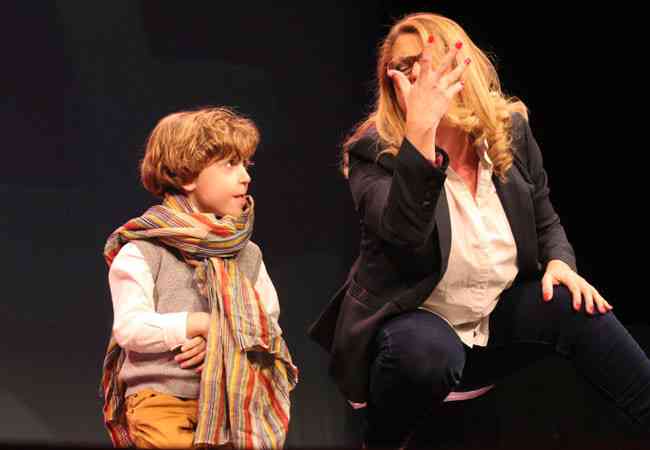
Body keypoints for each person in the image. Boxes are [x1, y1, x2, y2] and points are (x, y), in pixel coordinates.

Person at [308, 12, 650, 448]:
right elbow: (405, 236)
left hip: (490, 325)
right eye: (404, 67)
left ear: (462, 62)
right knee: (429, 351)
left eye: (429, 60)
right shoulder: (373, 152)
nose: (421, 76)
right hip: (412, 337)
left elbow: (545, 219)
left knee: (574, 300)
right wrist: (420, 135)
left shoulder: (510, 132)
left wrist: (560, 262)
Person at [100, 107, 298, 449]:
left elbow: (267, 326)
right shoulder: (143, 250)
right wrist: (198, 323)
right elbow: (130, 327)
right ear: (187, 176)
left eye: (245, 165)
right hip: (161, 400)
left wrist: (218, 342)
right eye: (230, 165)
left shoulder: (248, 253)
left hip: (231, 404)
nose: (245, 177)